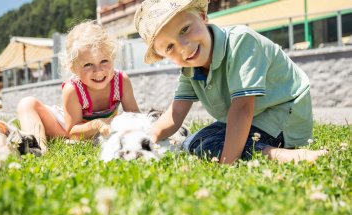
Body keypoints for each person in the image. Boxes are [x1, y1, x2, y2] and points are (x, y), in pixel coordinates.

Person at [134, 0, 327, 164]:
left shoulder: (241, 42)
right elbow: (176, 112)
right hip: (252, 121)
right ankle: (257, 148)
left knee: (210, 144)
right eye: (169, 47)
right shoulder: (189, 70)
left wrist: (227, 161)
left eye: (185, 29)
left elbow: (242, 108)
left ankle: (280, 154)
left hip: (282, 116)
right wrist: (147, 139)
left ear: (202, 17)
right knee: (192, 142)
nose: (183, 48)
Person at [17, 20, 140, 154]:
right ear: (74, 68)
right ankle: (37, 148)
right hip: (65, 128)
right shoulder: (73, 89)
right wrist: (98, 123)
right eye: (88, 65)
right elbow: (72, 132)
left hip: (90, 133)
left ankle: (68, 144)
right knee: (27, 104)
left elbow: (135, 116)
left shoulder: (121, 81)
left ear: (113, 58)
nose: (98, 71)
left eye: (104, 61)